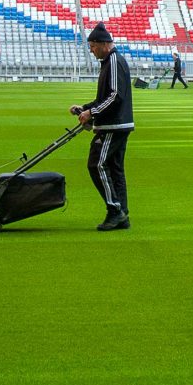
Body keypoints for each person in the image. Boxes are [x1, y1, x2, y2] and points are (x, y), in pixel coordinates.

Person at [71, 23, 133, 231]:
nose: (91, 50)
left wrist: (92, 113)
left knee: (96, 164)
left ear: (103, 44)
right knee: (115, 169)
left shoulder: (114, 61)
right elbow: (104, 98)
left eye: (92, 46)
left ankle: (115, 211)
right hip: (116, 124)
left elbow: (115, 96)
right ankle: (122, 214)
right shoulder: (109, 62)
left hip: (114, 125)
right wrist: (85, 108)